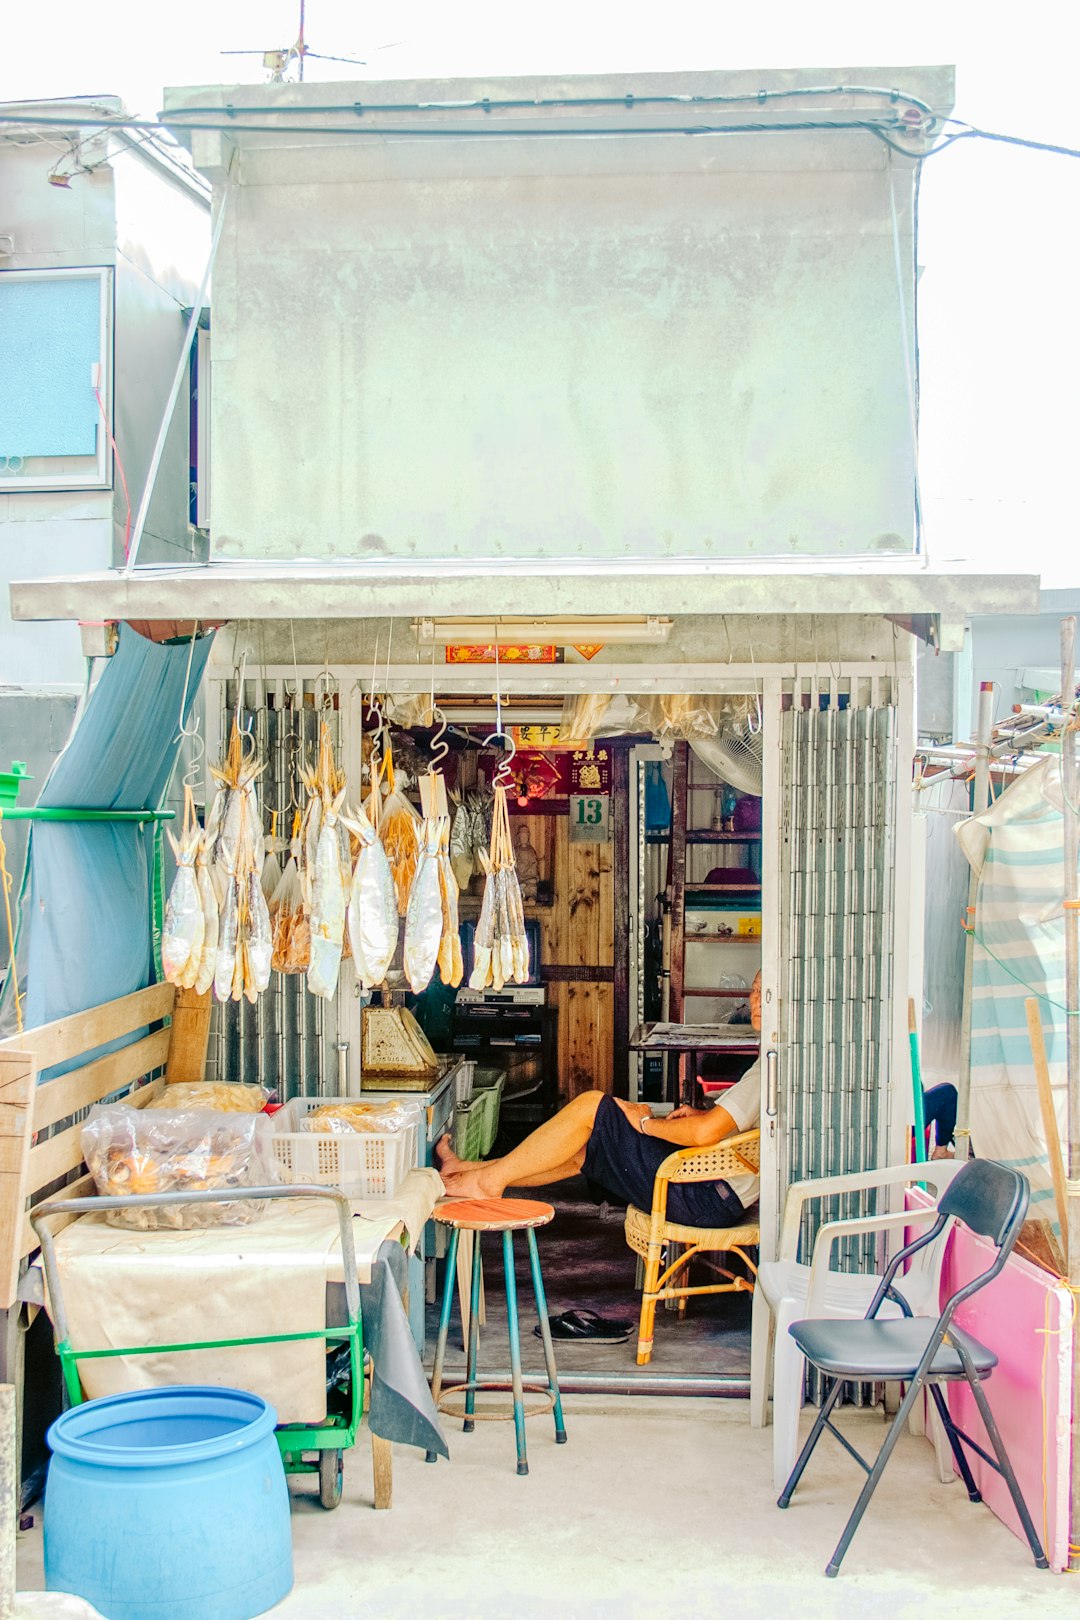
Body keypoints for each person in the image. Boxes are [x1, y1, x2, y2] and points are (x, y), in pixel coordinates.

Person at [436, 973, 763, 1227]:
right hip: (709, 1189)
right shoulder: (773, 1059)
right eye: (755, 990)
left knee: (593, 1105)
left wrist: (646, 1124)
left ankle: (487, 1182)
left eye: (766, 992)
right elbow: (714, 1127)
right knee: (581, 1147)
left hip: (705, 1195)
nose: (758, 1000)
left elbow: (705, 1134)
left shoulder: (769, 1070)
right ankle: (468, 1172)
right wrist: (696, 1114)